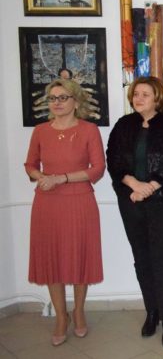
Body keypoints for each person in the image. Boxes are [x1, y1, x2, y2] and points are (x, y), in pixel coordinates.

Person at [106, 77, 163, 347]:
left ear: (158, 97)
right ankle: (151, 312)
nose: (138, 98)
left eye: (145, 94)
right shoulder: (123, 125)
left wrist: (149, 187)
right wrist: (133, 184)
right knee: (141, 258)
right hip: (130, 199)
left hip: (162, 201)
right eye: (135, 94)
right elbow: (114, 159)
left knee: (161, 257)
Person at [24, 79, 105, 346]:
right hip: (47, 203)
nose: (56, 102)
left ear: (76, 101)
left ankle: (78, 311)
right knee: (53, 259)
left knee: (79, 258)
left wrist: (62, 178)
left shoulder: (89, 130)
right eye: (52, 98)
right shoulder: (40, 131)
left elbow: (97, 169)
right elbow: (30, 165)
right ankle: (61, 316)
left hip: (80, 201)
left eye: (62, 97)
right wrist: (41, 177)